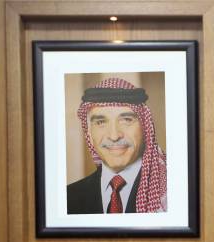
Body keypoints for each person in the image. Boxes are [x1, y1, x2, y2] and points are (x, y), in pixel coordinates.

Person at [67, 77, 167, 215]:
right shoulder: (68, 198)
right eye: (101, 122)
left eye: (126, 120)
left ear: (145, 127)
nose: (114, 136)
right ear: (89, 132)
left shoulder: (171, 192)